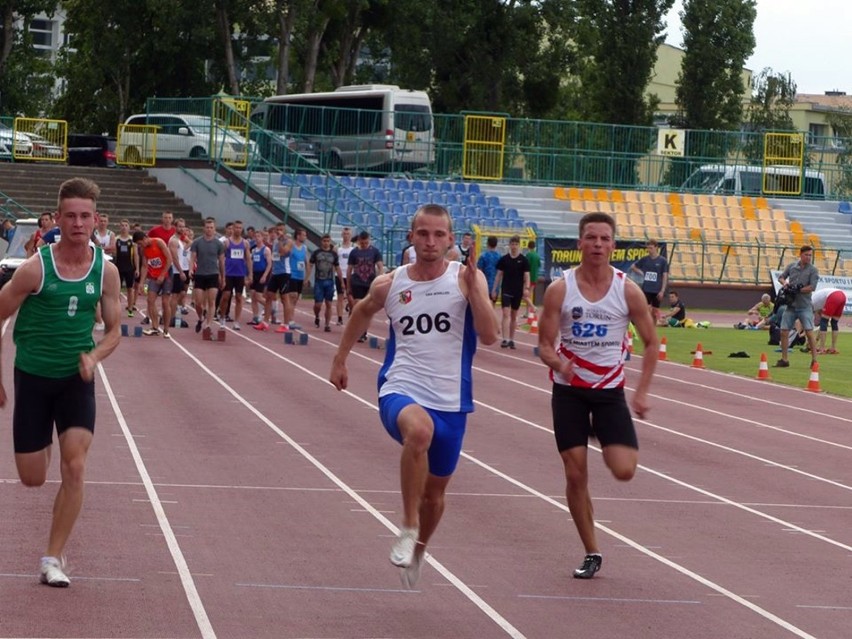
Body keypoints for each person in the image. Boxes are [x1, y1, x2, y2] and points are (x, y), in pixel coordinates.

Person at [329, 204, 499, 589]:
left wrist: (476, 293)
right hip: (400, 388)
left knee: (435, 496)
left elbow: (489, 335)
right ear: (411, 237)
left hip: (452, 401)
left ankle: (420, 548)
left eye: (439, 235)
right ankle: (406, 526)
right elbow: (360, 312)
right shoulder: (390, 284)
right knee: (418, 433)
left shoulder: (466, 279)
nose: (430, 242)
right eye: (423, 233)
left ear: (451, 240)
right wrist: (340, 358)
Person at [0, 177, 121, 587]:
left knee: (75, 466)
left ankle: (53, 558)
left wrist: (94, 356)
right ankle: (42, 440)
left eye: (85, 216)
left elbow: (115, 331)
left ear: (95, 220)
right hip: (33, 377)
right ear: (59, 218)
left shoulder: (106, 271)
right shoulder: (35, 269)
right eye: (70, 215)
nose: (78, 223)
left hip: (75, 378)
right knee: (33, 477)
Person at [537, 211, 658, 580]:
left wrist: (641, 391)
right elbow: (543, 344)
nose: (598, 245)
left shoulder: (627, 290)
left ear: (614, 245)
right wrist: (558, 363)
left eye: (605, 239)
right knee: (576, 474)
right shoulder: (561, 289)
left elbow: (651, 342)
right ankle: (592, 550)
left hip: (609, 394)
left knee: (624, 470)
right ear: (579, 244)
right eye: (591, 238)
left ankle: (598, 430)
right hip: (569, 392)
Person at [775, 245, 819, 368]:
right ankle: (784, 359)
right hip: (791, 305)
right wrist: (786, 284)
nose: (809, 257)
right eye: (806, 255)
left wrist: (798, 290)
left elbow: (812, 287)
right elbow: (781, 277)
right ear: (801, 254)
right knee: (784, 331)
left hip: (805, 305)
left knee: (809, 333)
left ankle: (814, 360)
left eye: (810, 255)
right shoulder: (792, 267)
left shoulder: (813, 270)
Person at [189, 217, 226, 338]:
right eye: (207, 227)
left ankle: (208, 324)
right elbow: (193, 257)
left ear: (214, 230)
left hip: (213, 274)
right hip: (200, 274)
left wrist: (223, 277)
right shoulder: (197, 242)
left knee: (211, 301)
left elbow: (221, 262)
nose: (209, 230)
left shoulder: (218, 244)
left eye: (211, 228)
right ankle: (201, 318)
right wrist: (190, 269)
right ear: (203, 228)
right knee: (199, 303)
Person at [133, 230, 174, 337]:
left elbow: (169, 259)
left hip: (167, 274)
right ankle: (155, 327)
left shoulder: (159, 242)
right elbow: (145, 266)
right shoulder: (143, 250)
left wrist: (162, 275)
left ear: (145, 238)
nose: (140, 246)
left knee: (165, 302)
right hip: (154, 276)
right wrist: (141, 282)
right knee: (150, 300)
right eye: (138, 244)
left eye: (140, 243)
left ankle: (166, 329)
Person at [492, 235, 530, 349]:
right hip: (506, 289)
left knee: (514, 316)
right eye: (512, 244)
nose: (514, 246)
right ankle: (505, 339)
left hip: (517, 290)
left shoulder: (524, 260)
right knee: (505, 313)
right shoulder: (504, 259)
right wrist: (494, 289)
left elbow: (527, 276)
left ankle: (512, 339)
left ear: (519, 245)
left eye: (516, 244)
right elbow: (498, 275)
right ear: (509, 245)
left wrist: (526, 288)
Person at [346, 230, 384, 342]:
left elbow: (380, 267)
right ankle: (353, 330)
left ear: (369, 241)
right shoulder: (354, 252)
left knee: (367, 309)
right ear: (358, 241)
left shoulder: (375, 252)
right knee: (357, 306)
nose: (364, 245)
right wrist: (348, 286)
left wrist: (379, 280)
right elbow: (349, 270)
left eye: (366, 243)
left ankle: (363, 332)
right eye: (362, 243)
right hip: (357, 282)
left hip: (370, 283)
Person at [218, 220, 252, 331]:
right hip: (228, 273)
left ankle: (236, 321)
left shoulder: (245, 243)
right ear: (232, 229)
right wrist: (221, 274)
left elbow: (248, 259)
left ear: (242, 229)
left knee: (238, 297)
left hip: (240, 274)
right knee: (226, 297)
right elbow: (221, 259)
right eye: (236, 227)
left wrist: (250, 274)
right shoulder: (227, 243)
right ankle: (222, 317)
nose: (237, 230)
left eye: (239, 228)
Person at [629, 239, 669, 325]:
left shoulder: (662, 261)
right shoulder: (645, 259)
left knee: (655, 312)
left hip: (657, 289)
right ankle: (646, 326)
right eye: (648, 248)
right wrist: (641, 272)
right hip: (646, 288)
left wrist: (662, 290)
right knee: (645, 309)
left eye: (651, 248)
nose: (649, 250)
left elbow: (665, 275)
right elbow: (633, 266)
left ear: (656, 248)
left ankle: (653, 329)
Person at [310, 234, 343, 332]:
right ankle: (317, 316)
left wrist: (341, 282)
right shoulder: (316, 253)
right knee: (318, 305)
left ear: (330, 242)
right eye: (324, 241)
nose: (326, 243)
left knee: (329, 303)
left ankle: (327, 324)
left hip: (329, 281)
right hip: (319, 281)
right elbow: (310, 264)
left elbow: (337, 268)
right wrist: (307, 278)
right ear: (321, 241)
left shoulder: (333, 254)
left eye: (328, 241)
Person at [285, 228, 310, 329]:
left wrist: (307, 277)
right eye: (303, 235)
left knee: (295, 299)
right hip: (292, 274)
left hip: (300, 276)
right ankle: (289, 320)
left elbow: (306, 262)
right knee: (292, 296)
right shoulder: (292, 246)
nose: (305, 237)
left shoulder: (304, 248)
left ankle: (290, 318)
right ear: (298, 236)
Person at [812, 287, 847, 354]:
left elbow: (812, 321)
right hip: (842, 295)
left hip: (833, 296)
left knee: (824, 321)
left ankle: (822, 349)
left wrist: (813, 340)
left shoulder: (812, 304)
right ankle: (833, 348)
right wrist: (816, 339)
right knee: (834, 322)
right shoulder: (818, 302)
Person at [114, 219, 137, 317]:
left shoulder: (132, 240)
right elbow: (114, 254)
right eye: (122, 225)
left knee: (130, 288)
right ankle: (117, 308)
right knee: (117, 289)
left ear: (129, 227)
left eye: (126, 225)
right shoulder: (116, 239)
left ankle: (130, 309)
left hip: (130, 267)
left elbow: (136, 255)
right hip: (118, 267)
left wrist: (137, 269)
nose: (124, 227)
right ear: (119, 227)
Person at [476, 235, 501, 306]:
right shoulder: (499, 257)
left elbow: (479, 271)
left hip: (484, 284)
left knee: (484, 306)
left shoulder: (483, 256)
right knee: (492, 306)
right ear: (496, 244)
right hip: (496, 285)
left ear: (487, 243)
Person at [524, 239, 541, 311]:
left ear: (528, 247)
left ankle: (533, 307)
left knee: (525, 295)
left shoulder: (528, 255)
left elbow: (525, 266)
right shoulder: (537, 255)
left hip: (528, 278)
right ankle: (527, 312)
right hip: (535, 277)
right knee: (529, 295)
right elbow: (539, 265)